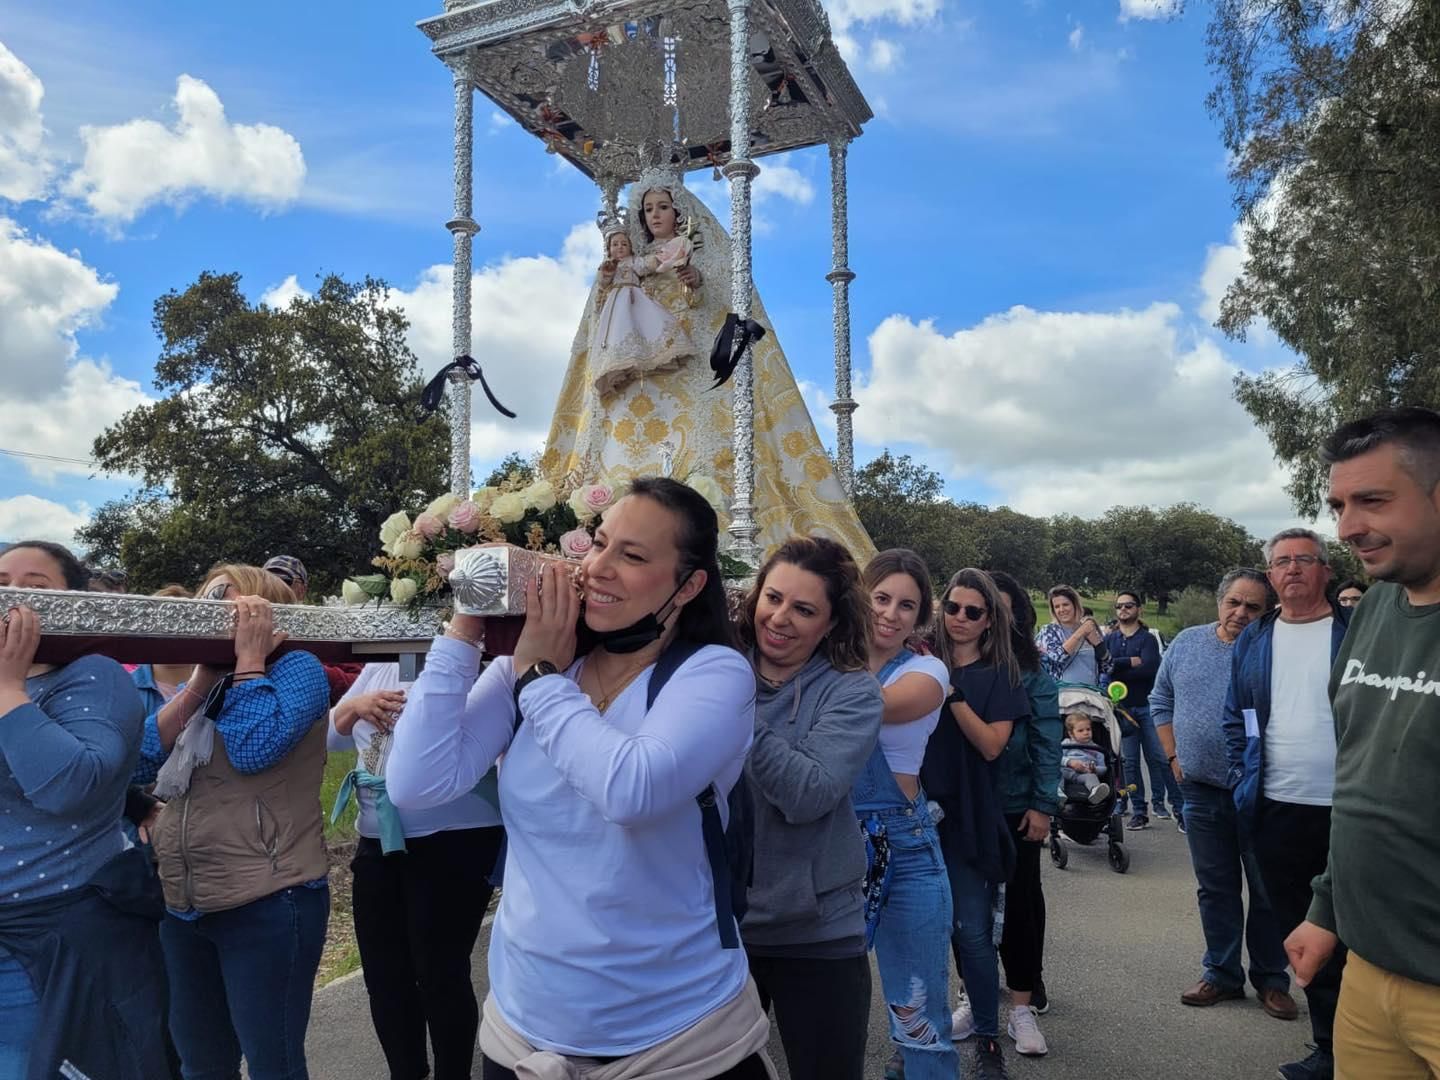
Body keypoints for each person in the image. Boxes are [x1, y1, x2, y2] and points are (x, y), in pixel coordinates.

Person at [386, 477, 774, 1079]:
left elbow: (632, 790)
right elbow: (415, 782)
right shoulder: (542, 670)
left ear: (690, 585)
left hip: (676, 1037)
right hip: (524, 1030)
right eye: (598, 543)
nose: (599, 567)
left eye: (633, 555)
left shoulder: (713, 675)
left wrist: (538, 675)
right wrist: (466, 626)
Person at [540, 166, 874, 557]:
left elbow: (712, 308)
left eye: (663, 206)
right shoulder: (631, 260)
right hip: (634, 378)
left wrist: (693, 282)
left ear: (679, 211)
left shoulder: (697, 256)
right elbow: (603, 315)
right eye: (648, 209)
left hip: (686, 373)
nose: (656, 215)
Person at [1286, 408, 1440, 1079]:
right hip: (1368, 972)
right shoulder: (1378, 604)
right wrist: (1325, 908)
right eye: (1339, 504)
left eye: (1373, 501)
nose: (1347, 528)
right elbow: (1359, 777)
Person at [132, 564, 331, 1080]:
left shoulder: (300, 668)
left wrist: (248, 662)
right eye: (208, 595)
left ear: (264, 610)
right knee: (202, 1063)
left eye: (228, 598)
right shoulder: (210, 676)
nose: (212, 605)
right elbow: (140, 762)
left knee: (274, 1064)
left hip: (269, 900)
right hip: (185, 903)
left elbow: (253, 748)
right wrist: (203, 676)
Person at [0, 541, 172, 1080]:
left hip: (58, 929)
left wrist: (6, 687)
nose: (12, 597)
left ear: (73, 602)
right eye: (3, 581)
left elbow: (73, 785)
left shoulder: (93, 673)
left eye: (35, 586)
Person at [737, 536, 881, 1080]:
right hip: (719, 932)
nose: (779, 618)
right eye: (772, 599)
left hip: (818, 935)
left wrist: (729, 705)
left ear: (831, 623)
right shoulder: (714, 666)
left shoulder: (853, 692)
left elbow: (810, 794)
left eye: (803, 609)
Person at [329, 662, 504, 1080]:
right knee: (384, 974)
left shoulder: (466, 662)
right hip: (378, 840)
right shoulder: (381, 662)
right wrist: (357, 705)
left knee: (439, 971)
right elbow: (332, 738)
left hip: (454, 837)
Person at [1223, 529, 1351, 1078]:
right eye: (1282, 562)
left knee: (1357, 931)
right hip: (1274, 807)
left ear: (1325, 570)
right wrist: (1239, 778)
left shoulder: (1357, 632)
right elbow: (1236, 719)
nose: (1293, 569)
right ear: (1271, 576)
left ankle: (1368, 1048)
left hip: (1349, 809)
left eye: (1305, 560)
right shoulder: (1255, 639)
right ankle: (1329, 1049)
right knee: (1303, 932)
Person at [1150, 569, 1296, 1021]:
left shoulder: (1276, 648)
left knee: (1267, 890)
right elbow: (1161, 700)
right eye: (1234, 602)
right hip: (1200, 790)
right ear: (1220, 602)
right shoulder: (1187, 643)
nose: (1241, 613)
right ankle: (1222, 974)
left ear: (1267, 610)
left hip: (1261, 794)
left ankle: (1272, 979)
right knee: (1215, 889)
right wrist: (1174, 760)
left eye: (1253, 606)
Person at [853, 549, 957, 1080]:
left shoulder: (928, 670)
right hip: (828, 842)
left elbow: (877, 705)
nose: (891, 613)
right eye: (881, 598)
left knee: (918, 1017)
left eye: (906, 606)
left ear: (920, 619)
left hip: (905, 846)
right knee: (818, 1012)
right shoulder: (825, 660)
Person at [924, 569, 1031, 1080]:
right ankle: (918, 1038)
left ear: (990, 621)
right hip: (915, 816)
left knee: (972, 936)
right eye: (953, 607)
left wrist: (951, 693)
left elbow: (992, 745)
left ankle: (988, 1039)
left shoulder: (998, 676)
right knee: (919, 936)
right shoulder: (918, 662)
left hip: (968, 820)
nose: (960, 618)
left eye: (973, 611)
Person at [986, 570, 1061, 1057]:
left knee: (1021, 903)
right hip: (965, 808)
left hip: (1017, 806)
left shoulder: (1033, 673)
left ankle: (1024, 994)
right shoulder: (950, 666)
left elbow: (1047, 741)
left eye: (1002, 609)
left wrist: (1042, 805)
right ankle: (975, 990)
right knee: (969, 910)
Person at [1103, 589, 1182, 831]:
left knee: (1159, 758)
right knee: (1129, 764)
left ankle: (1180, 809)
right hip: (1121, 710)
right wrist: (1129, 662)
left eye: (1128, 606)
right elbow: (1105, 667)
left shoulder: (1147, 639)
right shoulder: (1110, 640)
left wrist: (1118, 667)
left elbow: (1150, 669)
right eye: (1119, 606)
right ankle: (1139, 810)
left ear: (1139, 609)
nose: (1123, 610)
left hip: (1146, 708)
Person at [589, 223, 696, 395]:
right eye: (615, 244)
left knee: (644, 324)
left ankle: (646, 354)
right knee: (618, 331)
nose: (620, 247)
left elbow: (647, 265)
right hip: (615, 304)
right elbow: (602, 282)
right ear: (609, 249)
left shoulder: (633, 262)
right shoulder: (609, 266)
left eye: (624, 244)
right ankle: (619, 363)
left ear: (631, 247)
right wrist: (607, 273)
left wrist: (664, 256)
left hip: (634, 298)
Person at [1036, 585, 1110, 689]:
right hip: (1062, 695)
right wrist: (1080, 633)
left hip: (1091, 694)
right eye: (1057, 607)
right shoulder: (1049, 631)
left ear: (1075, 605)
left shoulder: (1089, 629)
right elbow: (1056, 658)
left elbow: (1108, 667)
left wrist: (1098, 644)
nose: (1061, 610)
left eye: (1065, 604)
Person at [1059, 715, 1111, 805]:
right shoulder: (1066, 743)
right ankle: (1059, 793)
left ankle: (1095, 791)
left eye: (1088, 729)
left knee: (1092, 777)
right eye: (1081, 730)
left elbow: (1103, 768)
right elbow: (1057, 757)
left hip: (1084, 774)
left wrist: (1094, 769)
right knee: (1056, 773)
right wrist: (1069, 762)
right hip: (1067, 771)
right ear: (1071, 733)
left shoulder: (1096, 749)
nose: (1086, 733)